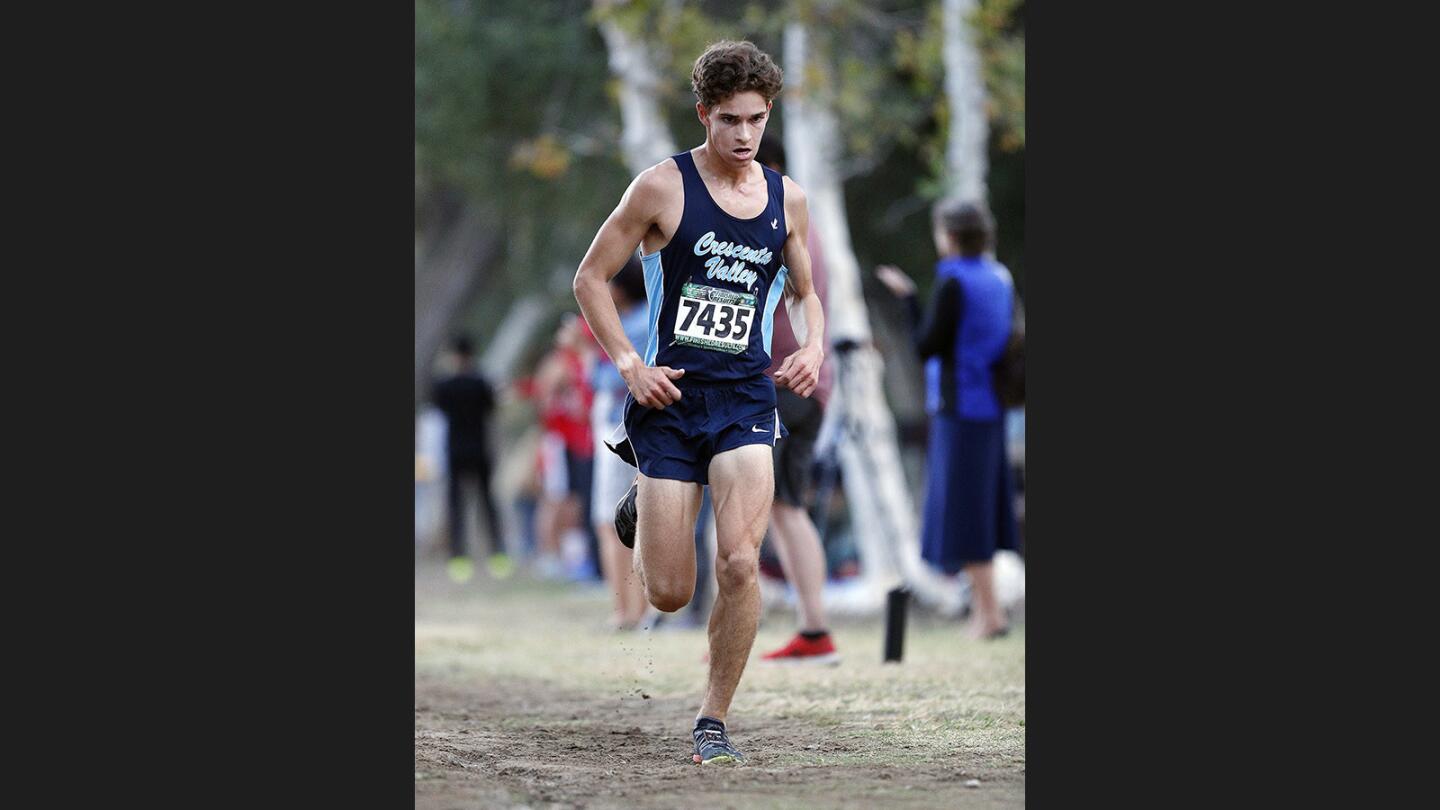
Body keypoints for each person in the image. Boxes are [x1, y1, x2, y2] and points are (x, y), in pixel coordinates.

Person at [572, 40, 824, 766]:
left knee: (741, 564)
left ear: (768, 114)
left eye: (757, 120)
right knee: (673, 593)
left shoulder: (788, 199)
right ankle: (642, 508)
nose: (745, 136)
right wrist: (628, 363)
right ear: (703, 114)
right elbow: (591, 279)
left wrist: (809, 348)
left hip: (746, 397)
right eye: (730, 121)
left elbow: (806, 295)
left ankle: (713, 720)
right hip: (671, 399)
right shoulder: (661, 188)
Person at [875, 199, 1018, 640]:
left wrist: (908, 299)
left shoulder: (953, 279)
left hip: (960, 407)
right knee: (984, 509)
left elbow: (926, 346)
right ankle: (986, 611)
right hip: (994, 406)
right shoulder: (1001, 276)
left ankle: (989, 615)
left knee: (966, 513)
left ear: (949, 237)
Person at [753, 138, 839, 665]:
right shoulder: (806, 226)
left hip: (785, 386)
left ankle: (812, 627)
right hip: (807, 386)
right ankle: (810, 628)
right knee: (785, 508)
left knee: (778, 510)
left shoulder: (778, 221)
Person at [587, 255, 651, 629]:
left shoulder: (629, 325)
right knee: (637, 519)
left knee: (613, 520)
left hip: (621, 430)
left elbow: (609, 381)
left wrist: (586, 355)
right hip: (640, 431)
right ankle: (638, 609)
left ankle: (626, 610)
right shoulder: (649, 318)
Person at [430, 334, 509, 583]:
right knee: (487, 502)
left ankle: (458, 558)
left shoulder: (445, 385)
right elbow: (492, 408)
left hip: (455, 451)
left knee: (456, 505)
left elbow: (439, 408)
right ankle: (498, 555)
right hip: (480, 450)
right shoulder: (481, 382)